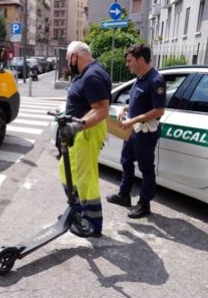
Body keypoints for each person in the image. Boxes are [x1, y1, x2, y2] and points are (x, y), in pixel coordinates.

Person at [106, 44, 166, 218]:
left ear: (141, 60)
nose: (127, 64)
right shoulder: (141, 78)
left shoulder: (156, 80)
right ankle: (124, 195)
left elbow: (159, 110)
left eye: (129, 61)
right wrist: (125, 109)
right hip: (134, 131)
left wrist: (133, 119)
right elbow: (140, 101)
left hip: (145, 132)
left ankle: (144, 204)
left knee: (146, 168)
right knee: (126, 160)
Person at [59, 41, 110, 237]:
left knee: (85, 176)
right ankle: (78, 210)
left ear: (74, 55)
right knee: (65, 169)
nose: (67, 62)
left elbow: (101, 110)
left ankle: (92, 222)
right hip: (80, 130)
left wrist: (76, 125)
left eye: (67, 58)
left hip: (87, 130)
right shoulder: (88, 73)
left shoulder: (92, 76)